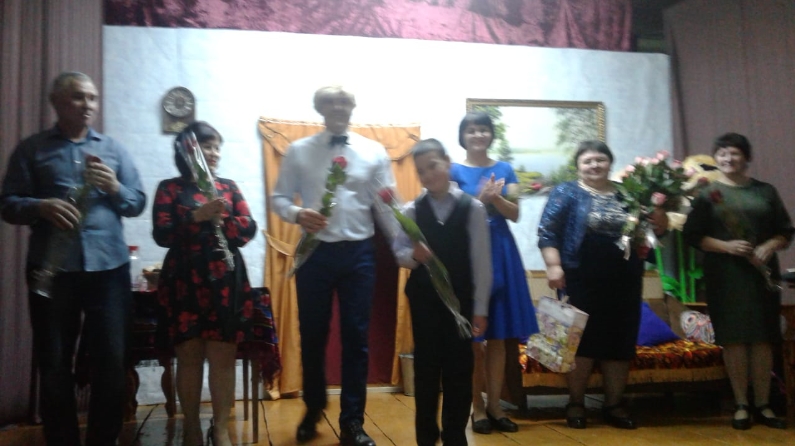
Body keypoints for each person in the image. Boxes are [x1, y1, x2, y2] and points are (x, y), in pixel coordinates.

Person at [0, 71, 146, 446]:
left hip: (109, 270)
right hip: (52, 270)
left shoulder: (114, 150)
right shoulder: (32, 150)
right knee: (54, 362)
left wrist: (115, 187)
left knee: (112, 361)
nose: (88, 105)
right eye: (79, 97)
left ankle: (103, 440)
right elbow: (8, 204)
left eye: (92, 98)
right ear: (57, 102)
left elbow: (137, 202)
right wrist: (40, 206)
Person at [270, 85, 395, 446]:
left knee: (357, 339)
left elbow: (388, 206)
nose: (338, 107)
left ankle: (352, 423)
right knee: (312, 335)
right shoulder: (298, 151)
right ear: (319, 108)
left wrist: (407, 245)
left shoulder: (374, 152)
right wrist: (297, 213)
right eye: (331, 102)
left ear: (353, 107)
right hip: (315, 253)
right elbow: (279, 198)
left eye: (345, 101)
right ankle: (313, 408)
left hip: (360, 254)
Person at [153, 121, 278, 446]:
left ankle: (220, 428)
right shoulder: (169, 188)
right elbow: (162, 233)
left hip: (225, 281)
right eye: (207, 146)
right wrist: (196, 216)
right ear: (188, 150)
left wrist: (221, 219)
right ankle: (192, 428)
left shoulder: (229, 187)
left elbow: (248, 228)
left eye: (217, 147)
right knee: (189, 358)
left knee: (223, 358)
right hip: (184, 281)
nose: (214, 153)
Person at [537, 140, 668, 430]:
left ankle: (614, 405)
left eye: (600, 159)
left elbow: (653, 233)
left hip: (624, 278)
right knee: (580, 342)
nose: (594, 165)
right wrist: (553, 265)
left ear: (610, 163)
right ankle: (575, 403)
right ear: (578, 166)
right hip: (580, 277)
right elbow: (547, 232)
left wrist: (662, 218)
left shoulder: (628, 193)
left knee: (620, 341)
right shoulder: (567, 192)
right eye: (588, 161)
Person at [683, 133, 792, 430]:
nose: (728, 159)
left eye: (734, 153)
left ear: (746, 157)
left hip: (761, 273)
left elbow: (785, 231)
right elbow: (692, 236)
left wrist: (770, 246)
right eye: (722, 153)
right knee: (733, 339)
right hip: (725, 275)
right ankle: (742, 403)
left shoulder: (765, 191)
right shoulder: (708, 194)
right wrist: (726, 246)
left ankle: (764, 404)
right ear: (716, 158)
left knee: (763, 338)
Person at [393, 138, 491, 446]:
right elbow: (398, 252)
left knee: (459, 370)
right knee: (426, 368)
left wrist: (481, 308)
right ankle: (425, 435)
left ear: (447, 162)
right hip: (424, 301)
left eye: (433, 166)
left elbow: (482, 263)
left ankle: (454, 435)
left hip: (461, 303)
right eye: (421, 171)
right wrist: (413, 256)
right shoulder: (411, 210)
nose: (428, 175)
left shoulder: (472, 208)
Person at [449, 112, 539, 434]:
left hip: (501, 250)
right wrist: (479, 199)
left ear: (491, 135)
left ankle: (496, 406)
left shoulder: (506, 169)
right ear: (463, 136)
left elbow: (515, 213)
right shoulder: (453, 171)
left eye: (483, 130)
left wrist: (495, 197)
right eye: (471, 130)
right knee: (475, 340)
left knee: (499, 338)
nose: (478, 135)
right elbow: (451, 215)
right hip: (469, 253)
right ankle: (476, 406)